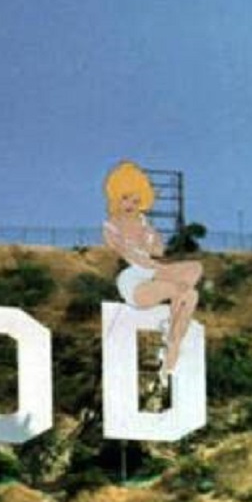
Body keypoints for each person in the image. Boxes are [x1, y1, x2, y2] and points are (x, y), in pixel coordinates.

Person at [102, 161, 202, 388]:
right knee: (181, 290)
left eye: (137, 200)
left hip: (155, 274)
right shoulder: (111, 225)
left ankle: (173, 342)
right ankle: (172, 330)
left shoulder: (147, 225)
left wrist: (150, 239)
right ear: (116, 195)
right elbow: (133, 256)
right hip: (135, 280)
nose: (131, 204)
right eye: (126, 198)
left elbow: (158, 251)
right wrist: (160, 266)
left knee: (193, 282)